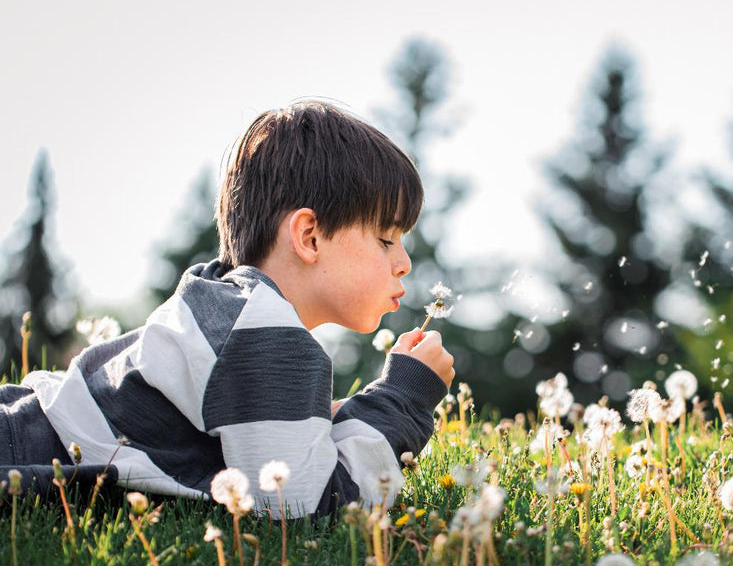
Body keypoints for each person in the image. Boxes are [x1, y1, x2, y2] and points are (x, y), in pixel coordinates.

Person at [0, 100, 454, 517]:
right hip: (27, 452)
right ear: (309, 236)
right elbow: (306, 509)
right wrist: (404, 398)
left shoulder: (232, 308)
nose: (404, 263)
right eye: (386, 239)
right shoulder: (266, 335)